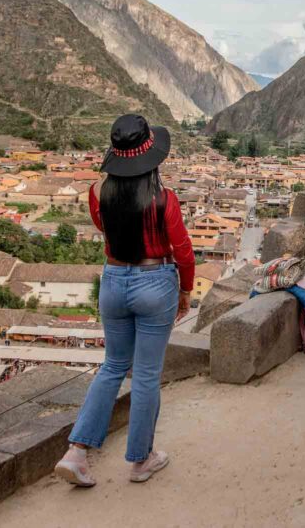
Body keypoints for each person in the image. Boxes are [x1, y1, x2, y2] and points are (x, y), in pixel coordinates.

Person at [55, 114, 195, 487]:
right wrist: (185, 290)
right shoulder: (164, 200)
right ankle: (141, 459)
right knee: (146, 374)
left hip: (113, 280)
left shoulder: (98, 193)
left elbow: (104, 228)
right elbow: (183, 250)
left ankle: (77, 452)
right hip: (156, 281)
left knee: (112, 366)